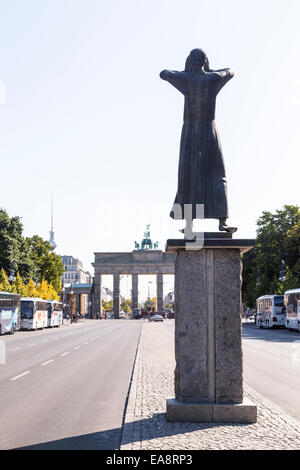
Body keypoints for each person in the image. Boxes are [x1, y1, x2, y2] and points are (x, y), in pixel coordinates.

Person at [160, 48, 237, 234]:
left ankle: (189, 225)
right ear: (205, 61)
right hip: (209, 130)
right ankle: (221, 221)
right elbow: (231, 71)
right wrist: (212, 72)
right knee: (217, 175)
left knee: (189, 177)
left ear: (190, 61)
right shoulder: (213, 79)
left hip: (191, 131)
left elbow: (164, 73)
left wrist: (185, 72)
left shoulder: (185, 80)